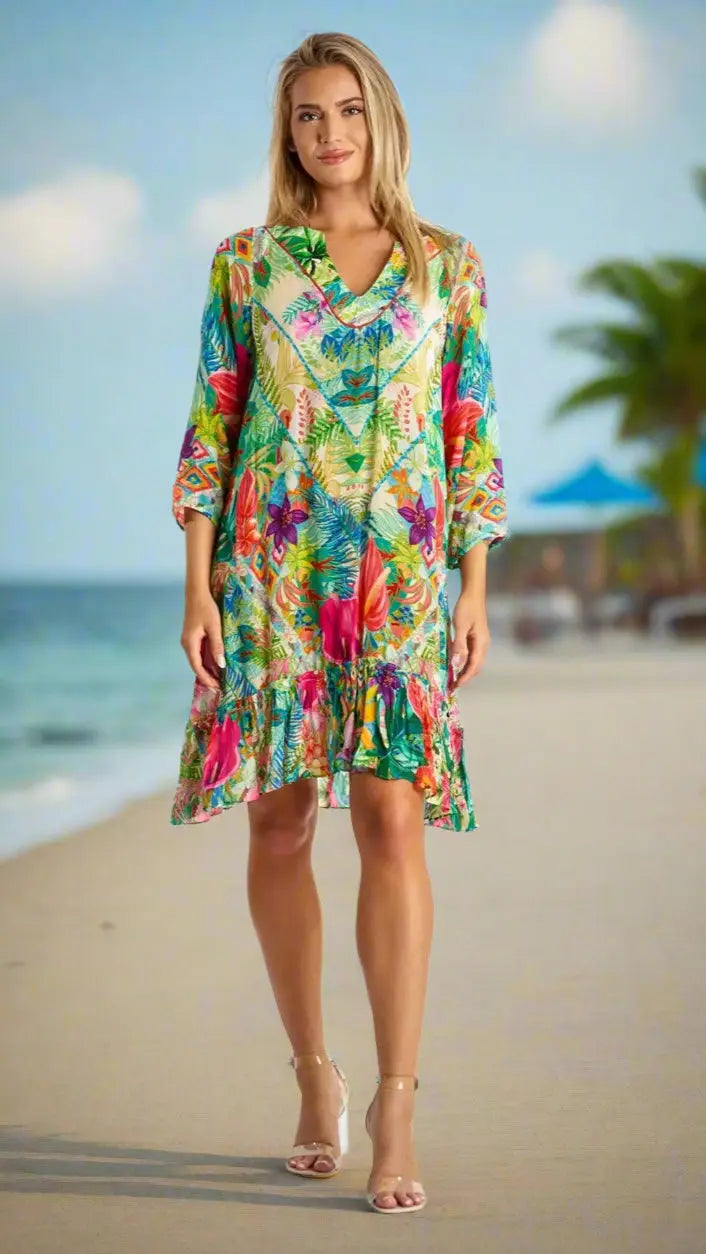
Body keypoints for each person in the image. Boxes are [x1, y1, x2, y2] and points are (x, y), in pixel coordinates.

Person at [169, 31, 509, 1215]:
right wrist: (199, 581)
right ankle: (316, 1077)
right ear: (288, 134)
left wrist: (472, 588)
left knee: (391, 821)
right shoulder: (244, 265)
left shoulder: (448, 268)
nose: (329, 134)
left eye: (347, 110)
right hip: (270, 576)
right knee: (273, 825)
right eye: (308, 116)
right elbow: (213, 426)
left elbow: (471, 437)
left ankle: (397, 1101)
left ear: (382, 119)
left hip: (405, 581)